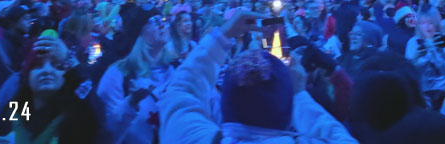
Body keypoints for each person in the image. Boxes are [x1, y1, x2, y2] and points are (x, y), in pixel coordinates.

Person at [160, 9, 358, 143]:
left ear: (224, 104)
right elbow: (334, 134)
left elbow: (181, 90)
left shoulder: (191, 137)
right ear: (288, 110)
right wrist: (299, 93)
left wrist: (223, 34)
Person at [96, 12, 174, 143]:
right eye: (153, 21)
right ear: (139, 34)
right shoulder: (118, 74)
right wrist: (131, 102)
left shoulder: (175, 69)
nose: (162, 25)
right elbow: (106, 132)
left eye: (163, 20)